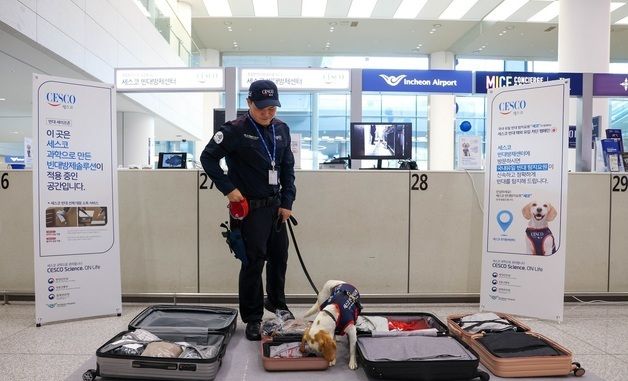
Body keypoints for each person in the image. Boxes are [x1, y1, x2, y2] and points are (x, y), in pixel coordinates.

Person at [200, 80, 296, 341]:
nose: (268, 113)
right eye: (262, 108)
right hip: (248, 209)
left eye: (272, 108)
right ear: (250, 103)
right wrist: (228, 188)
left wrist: (287, 202)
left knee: (279, 258)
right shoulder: (234, 130)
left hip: (275, 208)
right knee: (253, 262)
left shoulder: (282, 129)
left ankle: (276, 304)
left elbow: (288, 169)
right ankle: (252, 318)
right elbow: (207, 158)